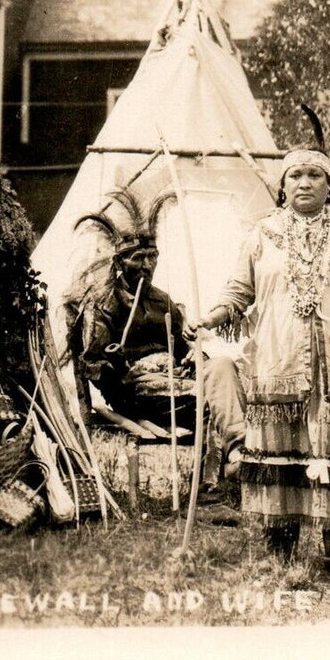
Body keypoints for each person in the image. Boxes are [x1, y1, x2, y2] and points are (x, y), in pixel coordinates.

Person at [188, 149, 330, 575]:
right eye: (295, 174)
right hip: (280, 362)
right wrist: (211, 316)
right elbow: (238, 291)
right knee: (283, 454)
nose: (304, 182)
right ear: (282, 185)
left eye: (314, 175)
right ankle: (282, 555)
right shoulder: (264, 234)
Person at [66, 187, 247, 502]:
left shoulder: (162, 300)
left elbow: (184, 350)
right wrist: (115, 360)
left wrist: (193, 355)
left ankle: (238, 454)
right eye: (139, 258)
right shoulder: (104, 302)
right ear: (121, 262)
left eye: (153, 257)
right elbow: (93, 369)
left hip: (176, 381)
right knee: (208, 398)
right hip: (135, 390)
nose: (148, 265)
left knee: (223, 366)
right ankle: (207, 493)